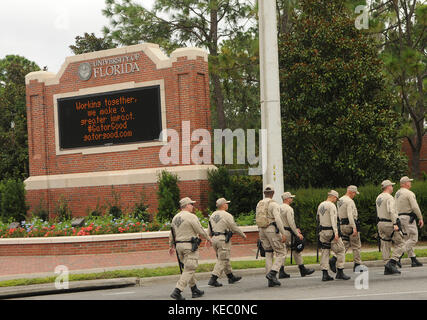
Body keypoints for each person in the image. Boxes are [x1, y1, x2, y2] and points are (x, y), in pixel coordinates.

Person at [169, 197, 212, 300]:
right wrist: (208, 239)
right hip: (189, 246)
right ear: (186, 205)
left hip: (179, 246)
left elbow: (172, 233)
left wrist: (171, 245)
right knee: (190, 268)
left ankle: (194, 289)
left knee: (188, 268)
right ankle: (177, 291)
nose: (193, 206)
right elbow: (200, 229)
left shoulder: (175, 218)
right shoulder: (191, 216)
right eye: (191, 204)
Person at [207, 198, 247, 287]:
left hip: (214, 239)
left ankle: (231, 277)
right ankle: (213, 279)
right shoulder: (227, 215)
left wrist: (208, 238)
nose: (227, 205)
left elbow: (209, 228)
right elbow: (234, 227)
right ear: (223, 205)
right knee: (223, 259)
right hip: (223, 239)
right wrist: (243, 235)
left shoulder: (212, 215)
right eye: (226, 203)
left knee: (224, 258)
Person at [256, 184, 287, 287]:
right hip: (271, 229)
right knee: (281, 252)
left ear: (264, 193)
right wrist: (283, 233)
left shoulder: (259, 203)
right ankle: (272, 273)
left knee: (268, 253)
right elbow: (278, 219)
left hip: (261, 230)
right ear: (273, 193)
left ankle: (270, 280)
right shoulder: (274, 204)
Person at [278, 192, 315, 278]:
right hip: (288, 232)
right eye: (291, 198)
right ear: (287, 199)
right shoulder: (289, 209)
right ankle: (302, 269)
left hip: (280, 232)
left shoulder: (278, 208)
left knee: (283, 251)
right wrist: (297, 233)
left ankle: (281, 271)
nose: (292, 199)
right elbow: (291, 223)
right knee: (296, 250)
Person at [317, 190, 350, 281]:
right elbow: (333, 219)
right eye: (336, 198)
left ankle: (325, 273)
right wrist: (336, 233)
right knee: (341, 250)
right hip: (331, 231)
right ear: (333, 197)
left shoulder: (321, 205)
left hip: (322, 231)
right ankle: (340, 271)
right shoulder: (331, 206)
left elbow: (318, 218)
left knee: (325, 251)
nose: (336, 200)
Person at [330, 185, 362, 273]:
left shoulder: (340, 200)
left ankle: (334, 258)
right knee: (356, 246)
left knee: (344, 245)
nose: (354, 195)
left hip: (342, 225)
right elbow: (350, 215)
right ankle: (357, 265)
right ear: (352, 192)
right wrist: (354, 227)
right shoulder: (350, 201)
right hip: (350, 225)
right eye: (355, 193)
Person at [376, 180, 405, 275]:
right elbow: (391, 211)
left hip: (380, 223)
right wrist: (395, 224)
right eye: (391, 186)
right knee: (401, 244)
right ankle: (392, 262)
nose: (392, 187)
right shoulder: (389, 198)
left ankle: (386, 267)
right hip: (389, 223)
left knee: (385, 244)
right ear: (388, 187)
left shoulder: (379, 197)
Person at [395, 176, 424, 267]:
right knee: (413, 238)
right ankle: (398, 255)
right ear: (405, 183)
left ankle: (413, 259)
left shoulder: (397, 193)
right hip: (408, 218)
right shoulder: (409, 193)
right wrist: (420, 217)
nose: (410, 183)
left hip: (399, 217)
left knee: (406, 239)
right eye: (409, 182)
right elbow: (415, 207)